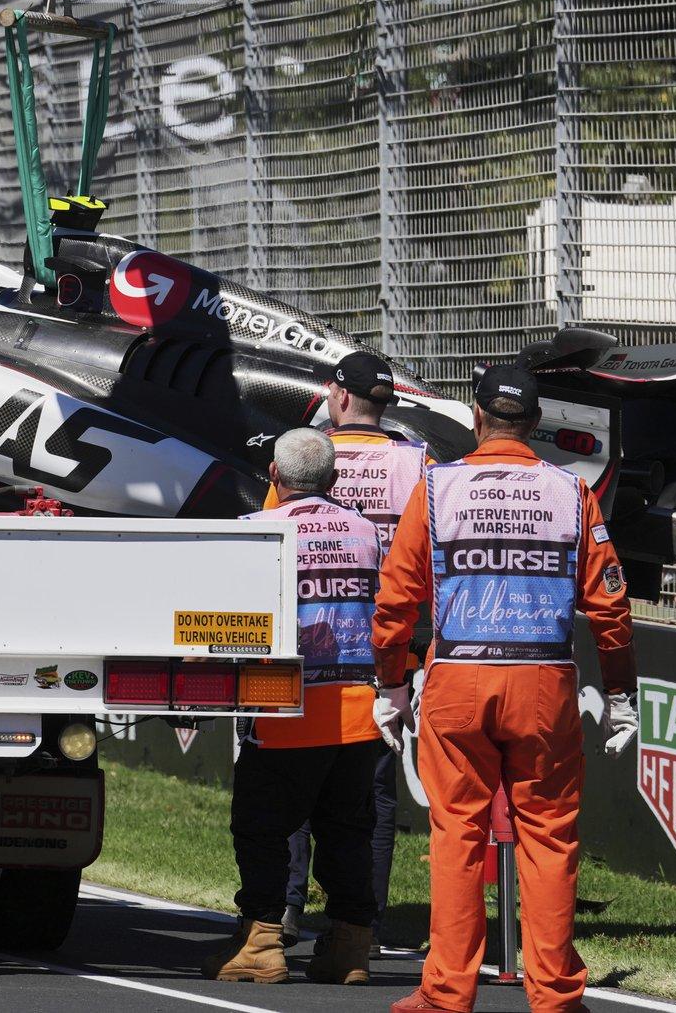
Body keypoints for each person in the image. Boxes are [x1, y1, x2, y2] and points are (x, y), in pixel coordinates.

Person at [371, 364, 639, 1013]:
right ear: (538, 423)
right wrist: (623, 695)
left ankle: (446, 992)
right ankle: (553, 996)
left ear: (476, 415)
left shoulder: (437, 487)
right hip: (543, 678)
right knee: (549, 837)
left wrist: (391, 683)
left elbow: (396, 598)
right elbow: (610, 606)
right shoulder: (570, 491)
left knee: (456, 833)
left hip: (458, 675)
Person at [203, 428, 386, 985]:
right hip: (358, 709)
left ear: (275, 477)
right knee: (349, 831)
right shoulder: (367, 531)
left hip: (281, 707)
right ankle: (350, 947)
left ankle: (261, 942)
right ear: (333, 479)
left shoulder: (257, 530)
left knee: (260, 827)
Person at [266, 349, 430, 946]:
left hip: (296, 650)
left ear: (337, 397)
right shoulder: (417, 463)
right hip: (380, 654)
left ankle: (282, 909)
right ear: (386, 403)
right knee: (370, 797)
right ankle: (364, 919)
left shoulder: (296, 455)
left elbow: (270, 550)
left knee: (286, 785)